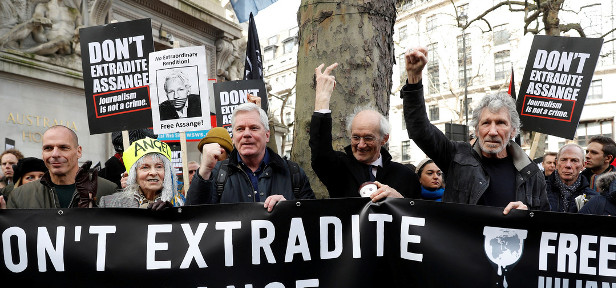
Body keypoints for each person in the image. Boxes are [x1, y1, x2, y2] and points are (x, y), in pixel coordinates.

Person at [402, 46, 549, 213]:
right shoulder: (455, 156)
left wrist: (528, 213)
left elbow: (544, 224)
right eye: (486, 123)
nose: (492, 131)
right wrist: (414, 79)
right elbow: (420, 130)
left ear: (513, 131)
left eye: (501, 123)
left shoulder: (532, 173)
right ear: (477, 130)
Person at [309, 63, 421, 202]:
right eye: (356, 137)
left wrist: (400, 201)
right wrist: (322, 98)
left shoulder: (406, 176)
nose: (361, 145)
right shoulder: (339, 168)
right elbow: (320, 151)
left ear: (384, 138)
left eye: (368, 138)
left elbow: (418, 216)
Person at [186, 102, 315, 212]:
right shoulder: (216, 174)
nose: (246, 134)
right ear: (233, 137)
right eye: (240, 129)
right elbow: (192, 218)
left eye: (254, 128)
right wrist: (204, 171)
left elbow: (314, 221)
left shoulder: (293, 173)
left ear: (267, 135)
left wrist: (289, 209)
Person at [6, 125, 117, 209]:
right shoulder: (20, 196)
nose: (55, 154)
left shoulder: (109, 191)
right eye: (48, 148)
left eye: (63, 147)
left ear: (78, 151)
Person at [99, 138, 184, 209]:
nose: (153, 172)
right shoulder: (110, 204)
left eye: (159, 167)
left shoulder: (181, 203)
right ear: (134, 174)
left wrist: (173, 215)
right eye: (145, 167)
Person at [545, 144, 597, 213]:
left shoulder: (593, 197)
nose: (568, 165)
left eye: (574, 161)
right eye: (563, 160)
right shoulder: (539, 191)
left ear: (583, 165)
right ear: (557, 163)